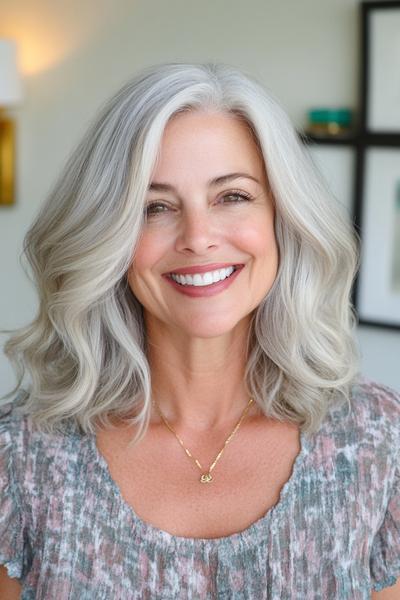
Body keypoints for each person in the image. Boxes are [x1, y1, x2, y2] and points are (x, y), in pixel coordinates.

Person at [0, 62, 399, 599]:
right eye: (155, 207)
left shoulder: (378, 441)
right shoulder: (20, 457)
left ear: (284, 218)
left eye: (232, 196)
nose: (198, 237)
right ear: (109, 236)